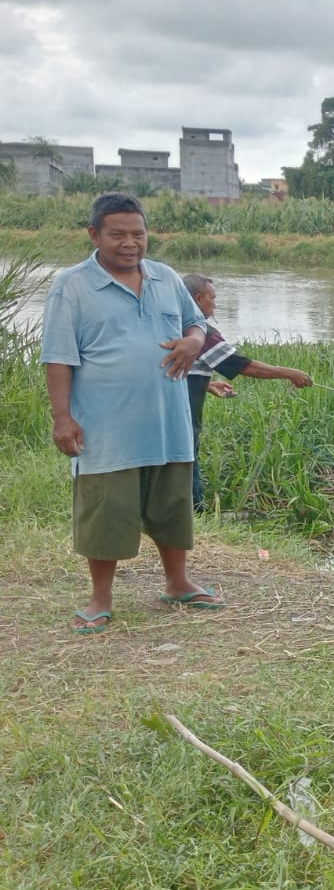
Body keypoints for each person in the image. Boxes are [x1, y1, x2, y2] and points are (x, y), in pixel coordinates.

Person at [40, 192, 224, 633]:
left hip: (167, 421)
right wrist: (61, 417)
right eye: (117, 234)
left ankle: (178, 583)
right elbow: (58, 357)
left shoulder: (165, 277)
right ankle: (99, 598)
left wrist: (195, 341)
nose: (130, 243)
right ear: (94, 235)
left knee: (172, 505)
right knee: (106, 510)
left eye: (138, 234)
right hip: (106, 426)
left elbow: (193, 322)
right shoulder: (71, 285)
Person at [181, 273, 313, 511]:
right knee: (184, 460)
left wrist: (208, 385)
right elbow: (241, 365)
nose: (215, 304)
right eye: (213, 298)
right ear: (198, 299)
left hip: (164, 408)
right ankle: (194, 515)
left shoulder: (170, 323)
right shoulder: (198, 332)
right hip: (179, 414)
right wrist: (289, 372)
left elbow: (176, 369)